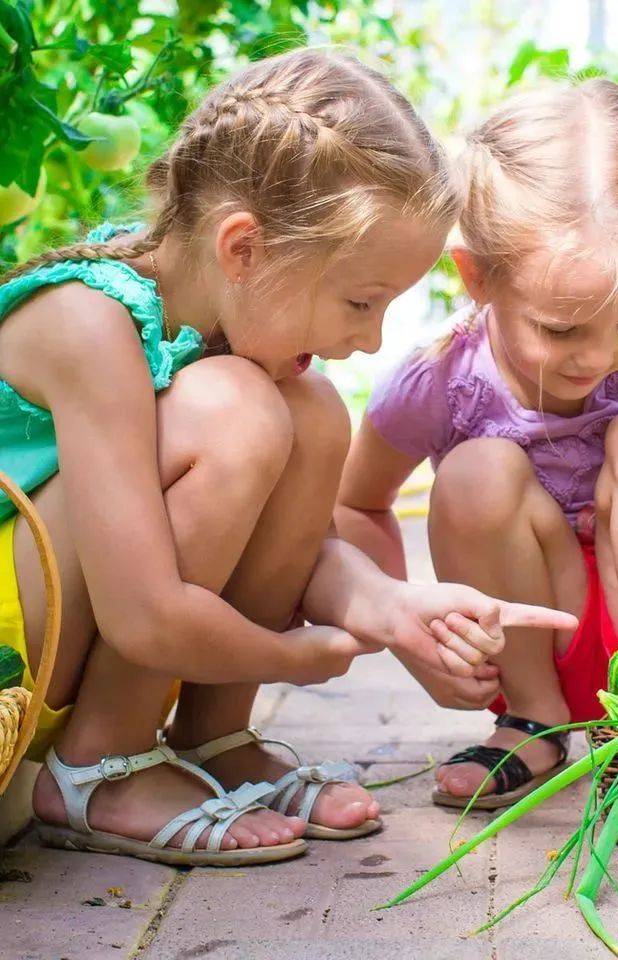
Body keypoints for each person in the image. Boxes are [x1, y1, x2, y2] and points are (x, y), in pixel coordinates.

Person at [0, 48, 575, 864]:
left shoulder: (209, 324)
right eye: (359, 301)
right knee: (239, 408)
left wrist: (386, 604)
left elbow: (280, 544)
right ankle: (102, 764)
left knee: (309, 415)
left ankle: (212, 738)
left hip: (66, 620)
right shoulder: (89, 326)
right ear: (244, 250)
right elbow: (142, 610)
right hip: (14, 645)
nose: (369, 339)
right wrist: (289, 658)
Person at [336, 79, 618, 809]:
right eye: (560, 328)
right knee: (476, 471)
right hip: (532, 633)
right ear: (476, 277)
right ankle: (534, 722)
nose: (598, 357)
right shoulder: (438, 380)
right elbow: (357, 506)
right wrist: (399, 623)